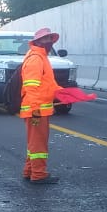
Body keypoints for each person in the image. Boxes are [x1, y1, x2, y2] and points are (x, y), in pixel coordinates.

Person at [20, 27, 61, 184]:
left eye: (50, 39)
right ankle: (38, 174)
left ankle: (29, 170)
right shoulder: (36, 58)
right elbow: (31, 86)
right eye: (46, 39)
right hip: (36, 109)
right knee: (38, 144)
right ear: (37, 42)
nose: (49, 42)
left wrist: (64, 93)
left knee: (34, 142)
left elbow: (48, 85)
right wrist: (36, 109)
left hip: (36, 108)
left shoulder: (40, 57)